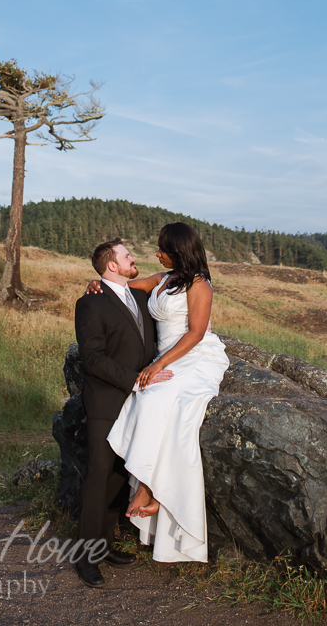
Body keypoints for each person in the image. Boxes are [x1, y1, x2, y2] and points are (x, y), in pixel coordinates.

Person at [85, 222, 228, 563]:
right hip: (166, 357)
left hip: (193, 357)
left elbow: (194, 333)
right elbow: (122, 286)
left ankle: (150, 489)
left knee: (160, 399)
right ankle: (149, 487)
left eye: (162, 249)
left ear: (177, 251)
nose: (156, 253)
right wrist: (97, 284)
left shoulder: (199, 284)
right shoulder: (162, 280)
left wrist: (155, 365)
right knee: (143, 401)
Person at [74, 238, 173, 589]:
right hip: (106, 402)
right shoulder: (90, 304)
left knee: (119, 474)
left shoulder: (142, 298)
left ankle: (105, 546)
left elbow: (170, 275)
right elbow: (93, 359)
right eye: (126, 255)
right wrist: (137, 380)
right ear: (111, 265)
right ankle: (85, 557)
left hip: (138, 403)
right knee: (99, 475)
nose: (134, 258)